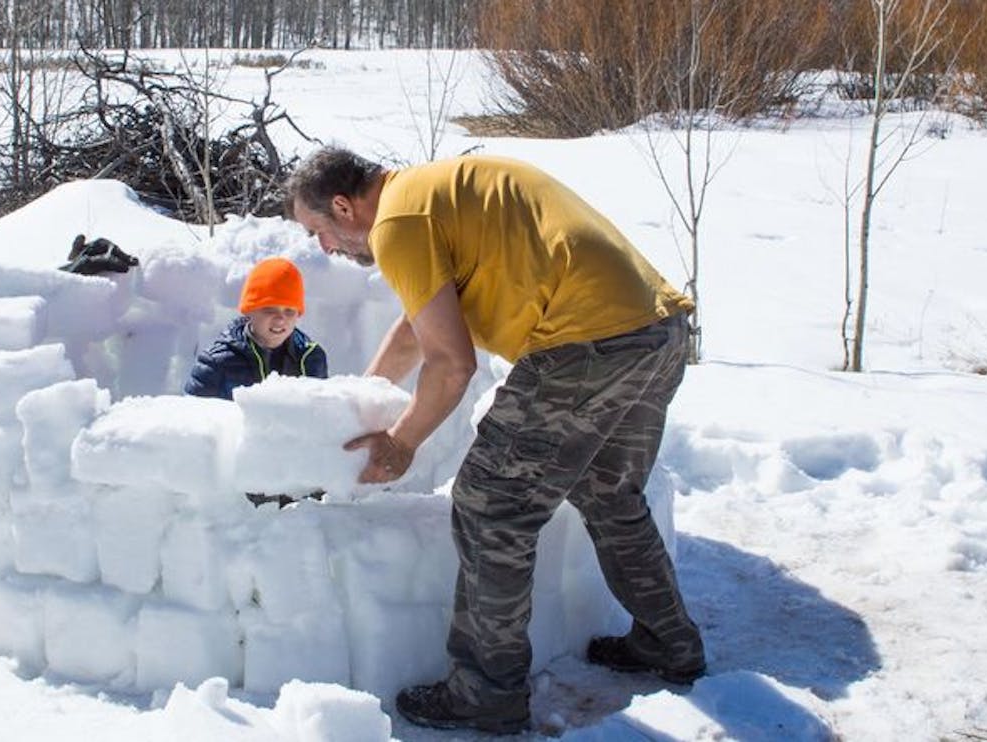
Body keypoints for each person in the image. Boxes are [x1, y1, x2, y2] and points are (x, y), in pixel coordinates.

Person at [285, 148, 705, 734]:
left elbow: (450, 365)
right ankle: (669, 643)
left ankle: (486, 692)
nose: (325, 248)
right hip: (655, 332)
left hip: (584, 344)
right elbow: (416, 328)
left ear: (342, 206)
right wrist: (358, 398)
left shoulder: (399, 224)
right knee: (608, 493)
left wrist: (401, 443)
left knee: (491, 505)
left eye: (319, 232)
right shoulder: (427, 195)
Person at [183, 256, 328, 401]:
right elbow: (194, 417)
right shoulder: (217, 362)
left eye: (289, 311)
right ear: (250, 310)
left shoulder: (311, 357)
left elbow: (321, 415)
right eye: (270, 310)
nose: (280, 319)